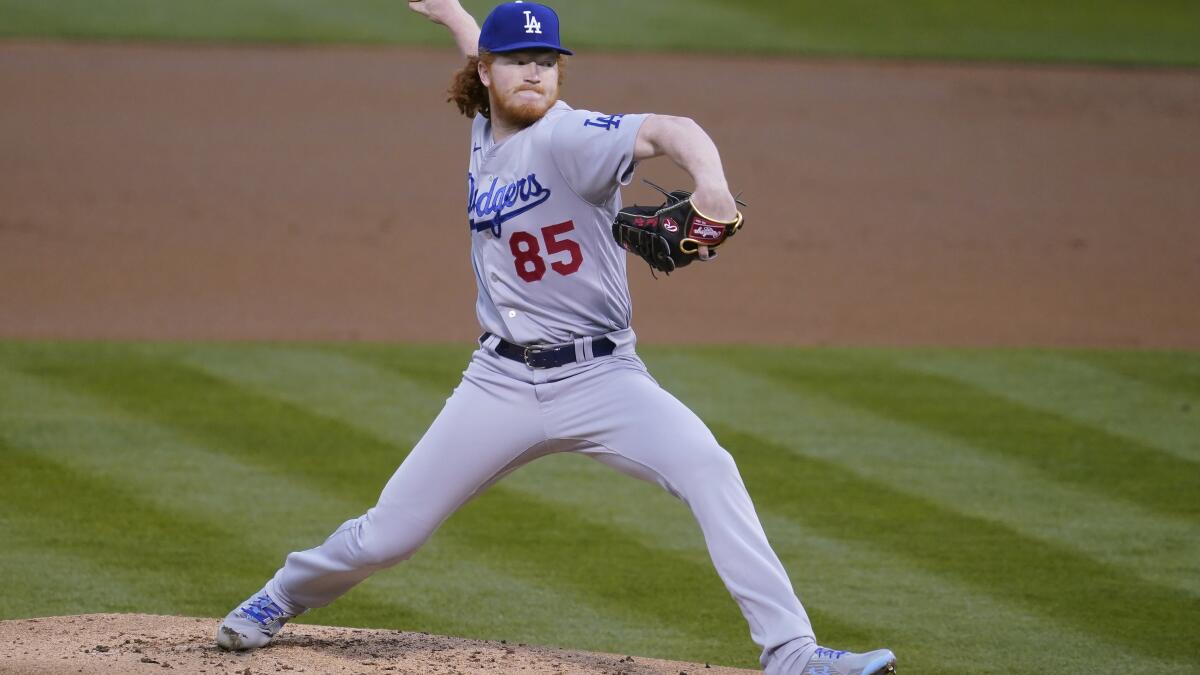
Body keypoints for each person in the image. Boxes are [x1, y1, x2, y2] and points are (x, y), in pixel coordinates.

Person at [214, 2, 896, 673]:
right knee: (390, 533)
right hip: (500, 384)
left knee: (708, 465)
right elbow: (486, 70)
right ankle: (280, 595)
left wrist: (712, 184)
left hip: (604, 379)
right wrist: (454, 16)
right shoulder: (487, 129)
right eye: (517, 61)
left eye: (547, 61)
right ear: (486, 72)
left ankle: (793, 653)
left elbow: (672, 127)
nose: (535, 73)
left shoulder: (572, 138)